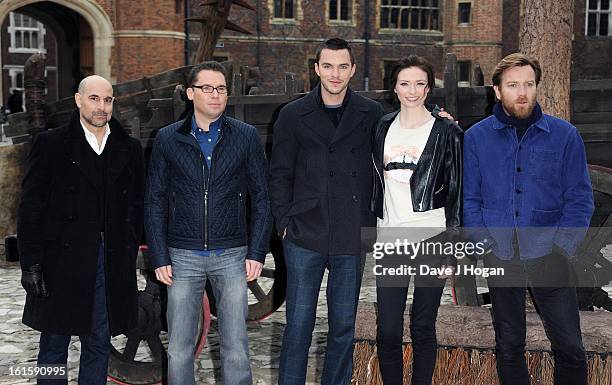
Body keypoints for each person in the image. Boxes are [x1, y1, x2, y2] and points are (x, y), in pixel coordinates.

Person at [463, 53, 594, 385]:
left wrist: (562, 247)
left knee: (570, 346)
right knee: (508, 345)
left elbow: (580, 199)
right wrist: (485, 243)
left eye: (528, 84)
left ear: (536, 87)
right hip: (500, 253)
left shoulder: (565, 136)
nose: (522, 92)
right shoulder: (476, 138)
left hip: (550, 254)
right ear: (497, 91)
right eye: (512, 85)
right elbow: (471, 198)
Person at [145, 61, 272, 385]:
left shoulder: (245, 137)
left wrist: (257, 252)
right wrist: (159, 256)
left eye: (221, 89)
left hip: (232, 255)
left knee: (236, 347)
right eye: (207, 88)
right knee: (179, 348)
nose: (215, 95)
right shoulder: (167, 139)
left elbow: (262, 197)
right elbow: (155, 199)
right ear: (190, 93)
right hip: (182, 257)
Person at [269, 37, 384, 385]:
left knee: (343, 326)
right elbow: (279, 172)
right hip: (305, 233)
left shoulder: (371, 113)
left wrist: (440, 119)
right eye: (328, 66)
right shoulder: (292, 114)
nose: (335, 74)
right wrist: (284, 223)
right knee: (299, 325)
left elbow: (393, 153)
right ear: (317, 69)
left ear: (352, 70)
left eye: (343, 66)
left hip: (350, 232)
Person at [17, 75, 144, 385]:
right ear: (78, 100)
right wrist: (30, 264)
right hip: (59, 260)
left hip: (107, 261)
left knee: (99, 341)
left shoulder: (128, 148)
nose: (101, 107)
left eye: (108, 100)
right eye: (94, 99)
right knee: (53, 345)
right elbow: (31, 207)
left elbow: (135, 208)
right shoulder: (50, 144)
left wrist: (127, 254)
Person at [370, 55, 462, 385]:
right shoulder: (382, 127)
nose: (412, 91)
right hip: (391, 239)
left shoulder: (446, 131)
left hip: (432, 239)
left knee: (424, 324)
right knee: (389, 328)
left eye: (420, 84)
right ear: (394, 87)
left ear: (428, 88)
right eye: (405, 83)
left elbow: (456, 191)